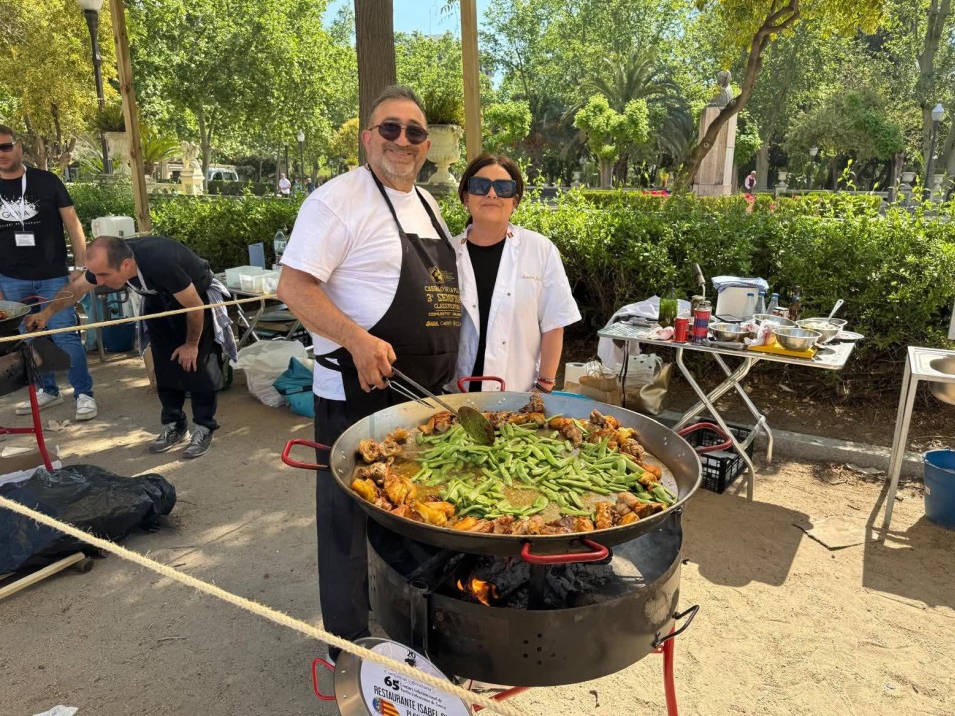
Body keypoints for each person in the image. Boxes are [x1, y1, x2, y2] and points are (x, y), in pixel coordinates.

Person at [276, 85, 460, 658]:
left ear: (426, 145)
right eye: (390, 128)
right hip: (358, 393)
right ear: (367, 137)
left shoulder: (428, 205)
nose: (403, 140)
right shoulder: (337, 201)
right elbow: (294, 287)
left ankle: (412, 633)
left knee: (418, 510)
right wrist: (356, 340)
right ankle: (350, 646)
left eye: (414, 131)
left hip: (423, 395)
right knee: (348, 523)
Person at [27, 235, 236, 459]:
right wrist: (47, 313)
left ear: (126, 265)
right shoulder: (111, 262)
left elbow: (195, 305)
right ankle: (175, 425)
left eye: (104, 275)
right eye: (96, 275)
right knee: (165, 366)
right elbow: (77, 288)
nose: (98, 281)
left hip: (195, 301)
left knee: (197, 366)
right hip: (158, 301)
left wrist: (191, 344)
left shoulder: (162, 263)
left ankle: (204, 427)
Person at [453, 154, 580, 393]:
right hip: (454, 395)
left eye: (503, 188)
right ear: (466, 197)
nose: (492, 194)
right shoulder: (446, 252)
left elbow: (554, 323)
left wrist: (544, 386)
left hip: (517, 395)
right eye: (480, 186)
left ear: (515, 201)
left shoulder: (540, 250)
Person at [0, 124, 97, 421]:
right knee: (27, 337)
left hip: (53, 275)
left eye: (6, 146)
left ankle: (83, 394)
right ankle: (48, 390)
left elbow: (73, 225)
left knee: (65, 335)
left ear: (18, 147)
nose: (1, 154)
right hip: (10, 277)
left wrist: (80, 267)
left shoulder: (46, 181)